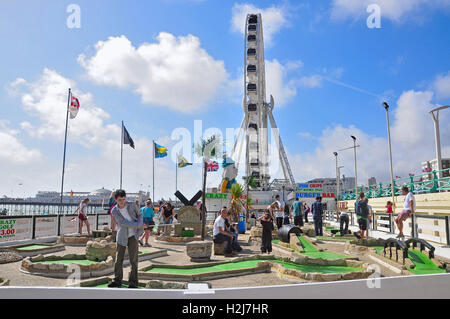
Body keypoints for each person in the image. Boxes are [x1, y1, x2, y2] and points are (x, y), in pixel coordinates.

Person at [108, 190, 144, 289]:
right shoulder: (114, 210)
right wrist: (138, 225)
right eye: (120, 200)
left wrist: (140, 224)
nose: (122, 202)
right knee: (118, 259)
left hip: (133, 236)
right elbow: (123, 223)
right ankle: (117, 280)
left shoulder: (132, 205)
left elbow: (140, 214)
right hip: (122, 236)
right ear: (115, 199)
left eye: (123, 199)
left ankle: (133, 282)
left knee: (134, 260)